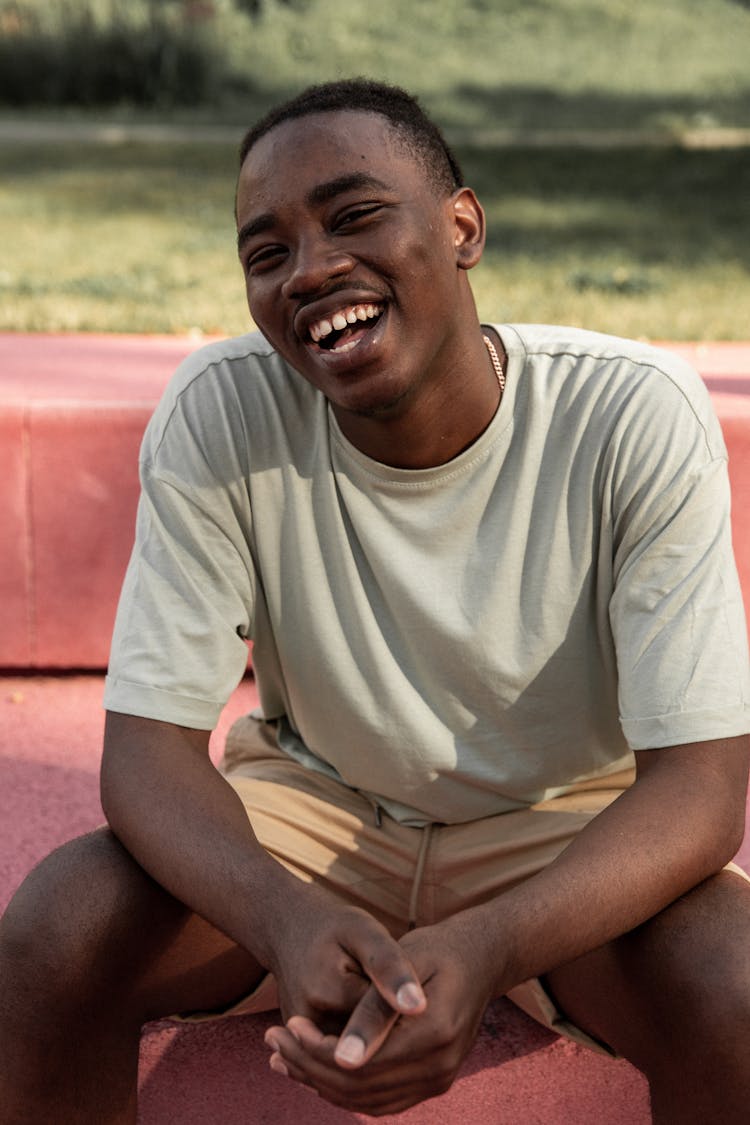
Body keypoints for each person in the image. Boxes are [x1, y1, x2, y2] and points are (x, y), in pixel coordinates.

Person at [1, 78, 749, 1124]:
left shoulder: (628, 415)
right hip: (315, 815)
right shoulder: (225, 414)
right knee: (54, 931)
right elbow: (146, 753)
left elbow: (703, 789)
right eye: (267, 252)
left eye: (354, 217)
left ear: (463, 227)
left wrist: (494, 942)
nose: (312, 270)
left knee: (736, 980)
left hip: (558, 827)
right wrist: (281, 919)